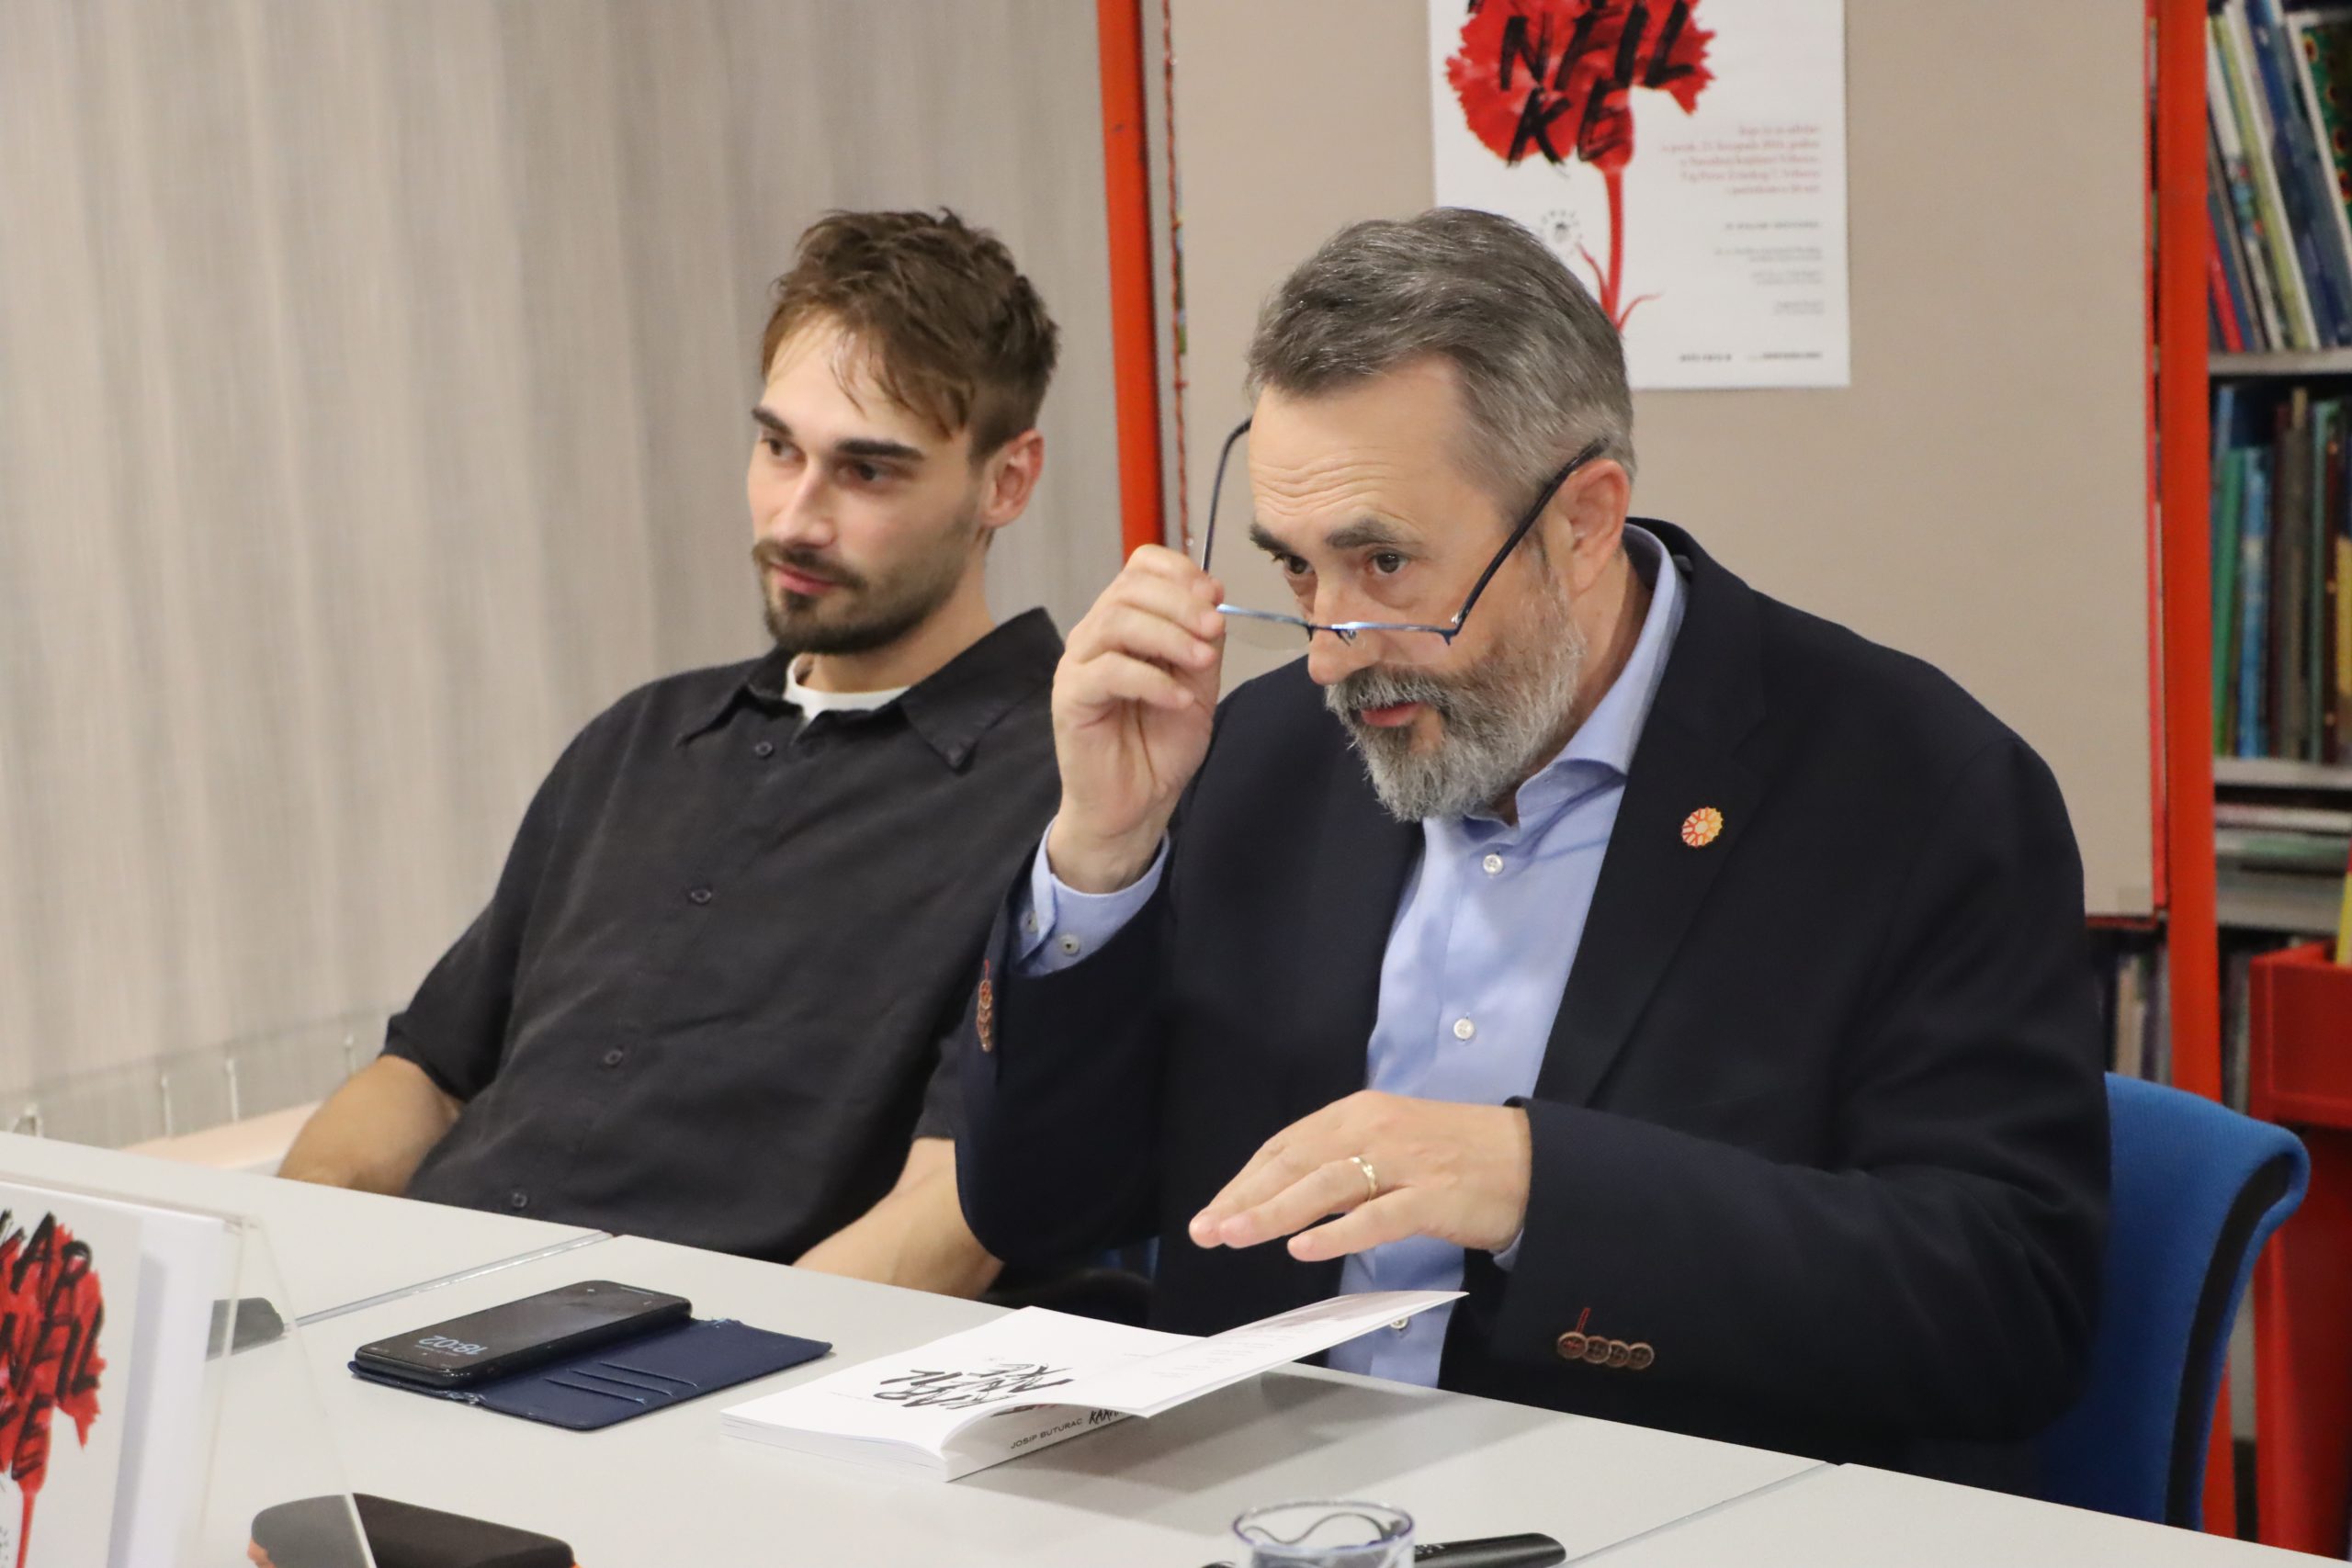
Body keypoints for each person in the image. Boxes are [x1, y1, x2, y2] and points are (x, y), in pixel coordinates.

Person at [956, 208, 2109, 1469]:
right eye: (1294, 571)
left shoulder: (1913, 788)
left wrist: (1535, 1183)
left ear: (1584, 520)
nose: (1332, 650)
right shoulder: (1262, 757)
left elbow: (2009, 1313)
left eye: (1385, 563)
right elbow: (1038, 1214)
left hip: (1651, 1507)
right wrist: (1103, 853)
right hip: (1252, 1495)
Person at [283, 209, 1065, 1296]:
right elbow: (427, 1073)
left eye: (867, 473)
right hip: (431, 1316)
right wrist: (282, 1265)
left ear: (1005, 483)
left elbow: (955, 1208)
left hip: (713, 1354)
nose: (795, 519)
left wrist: (739, 1370)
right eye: (778, 448)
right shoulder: (643, 741)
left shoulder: (1070, 802)